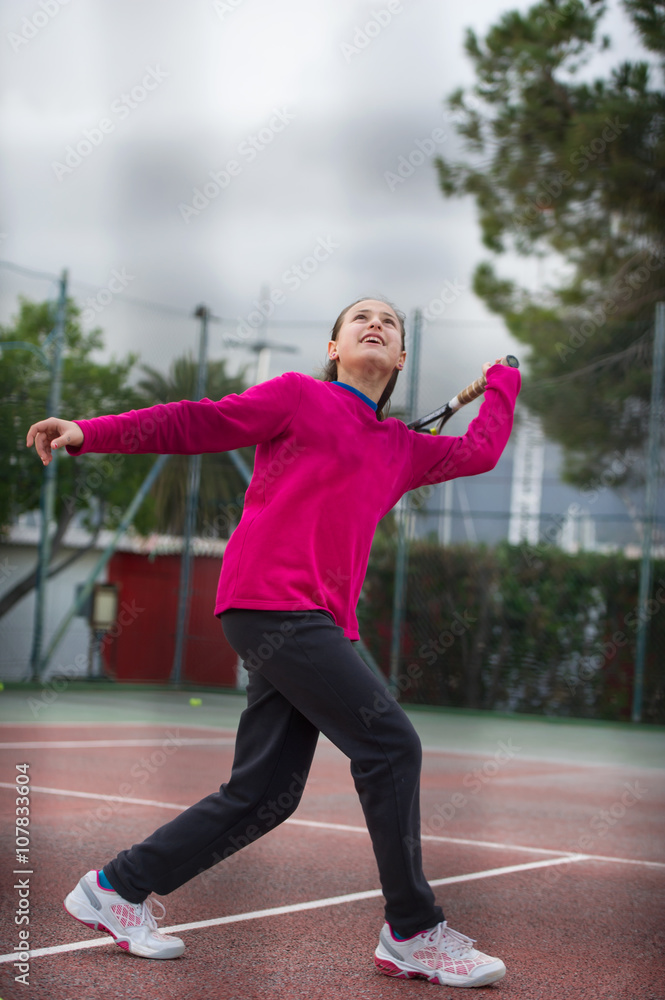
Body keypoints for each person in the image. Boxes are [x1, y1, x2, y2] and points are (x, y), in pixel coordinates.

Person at [26, 297, 520, 987]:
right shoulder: (297, 399)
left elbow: (479, 450)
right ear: (333, 348)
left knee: (265, 794)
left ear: (401, 358)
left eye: (389, 323)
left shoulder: (399, 449)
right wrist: (88, 430)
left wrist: (503, 384)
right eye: (359, 319)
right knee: (390, 743)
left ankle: (117, 888)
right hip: (268, 601)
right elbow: (195, 420)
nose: (375, 323)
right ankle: (411, 929)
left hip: (315, 621)